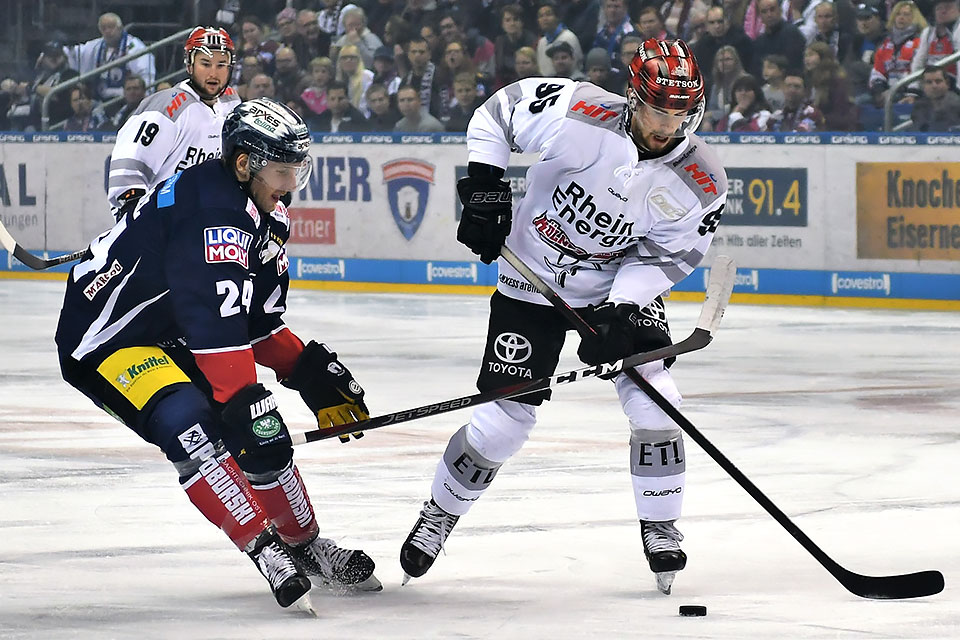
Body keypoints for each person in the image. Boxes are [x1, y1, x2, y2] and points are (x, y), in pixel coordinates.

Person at [399, 38, 727, 596]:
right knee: (503, 424)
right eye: (656, 111)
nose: (666, 126)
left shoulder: (700, 179)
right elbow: (497, 113)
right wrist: (483, 185)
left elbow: (670, 256)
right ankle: (440, 514)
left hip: (613, 290)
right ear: (632, 98)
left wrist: (624, 309)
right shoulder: (579, 111)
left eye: (680, 114)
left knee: (657, 394)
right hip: (530, 281)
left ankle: (660, 523)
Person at [54, 98, 381, 609]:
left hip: (172, 331)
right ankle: (264, 545)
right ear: (244, 163)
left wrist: (308, 371)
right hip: (104, 340)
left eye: (296, 171)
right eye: (279, 171)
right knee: (198, 428)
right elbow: (216, 326)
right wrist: (249, 403)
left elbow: (256, 322)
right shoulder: (214, 215)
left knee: (260, 436)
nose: (289, 185)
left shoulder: (267, 214)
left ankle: (305, 545)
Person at [106, 27, 241, 215]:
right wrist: (134, 219)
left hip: (204, 220)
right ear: (189, 65)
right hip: (162, 222)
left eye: (221, 65)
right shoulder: (168, 107)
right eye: (205, 64)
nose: (213, 73)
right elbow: (129, 168)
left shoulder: (232, 103)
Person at [66, 12, 155, 102]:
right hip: (100, 97)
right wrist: (69, 48)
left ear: (120, 28)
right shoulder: (96, 45)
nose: (107, 31)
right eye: (103, 28)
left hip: (125, 98)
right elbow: (77, 54)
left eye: (111, 27)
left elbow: (145, 74)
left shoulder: (134, 46)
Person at [910, 65, 960, 130]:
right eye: (929, 82)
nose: (934, 86)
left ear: (947, 83)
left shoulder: (957, 104)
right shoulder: (919, 106)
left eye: (938, 81)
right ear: (923, 86)